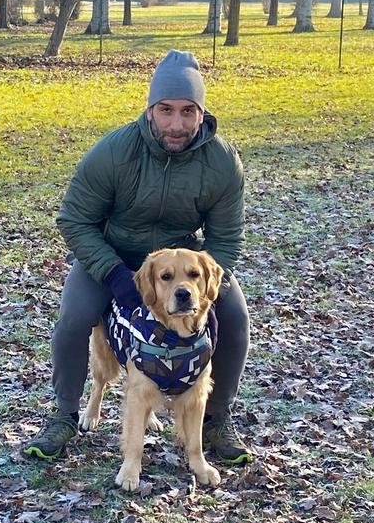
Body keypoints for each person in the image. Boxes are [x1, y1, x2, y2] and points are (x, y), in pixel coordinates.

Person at [22, 50, 253, 464]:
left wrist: (209, 290)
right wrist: (113, 276)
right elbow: (74, 220)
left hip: (180, 267)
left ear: (202, 112)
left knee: (236, 318)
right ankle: (63, 413)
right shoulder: (113, 152)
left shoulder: (221, 162)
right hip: (110, 257)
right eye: (166, 110)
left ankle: (216, 419)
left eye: (187, 111)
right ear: (150, 110)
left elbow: (226, 238)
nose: (176, 124)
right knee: (75, 318)